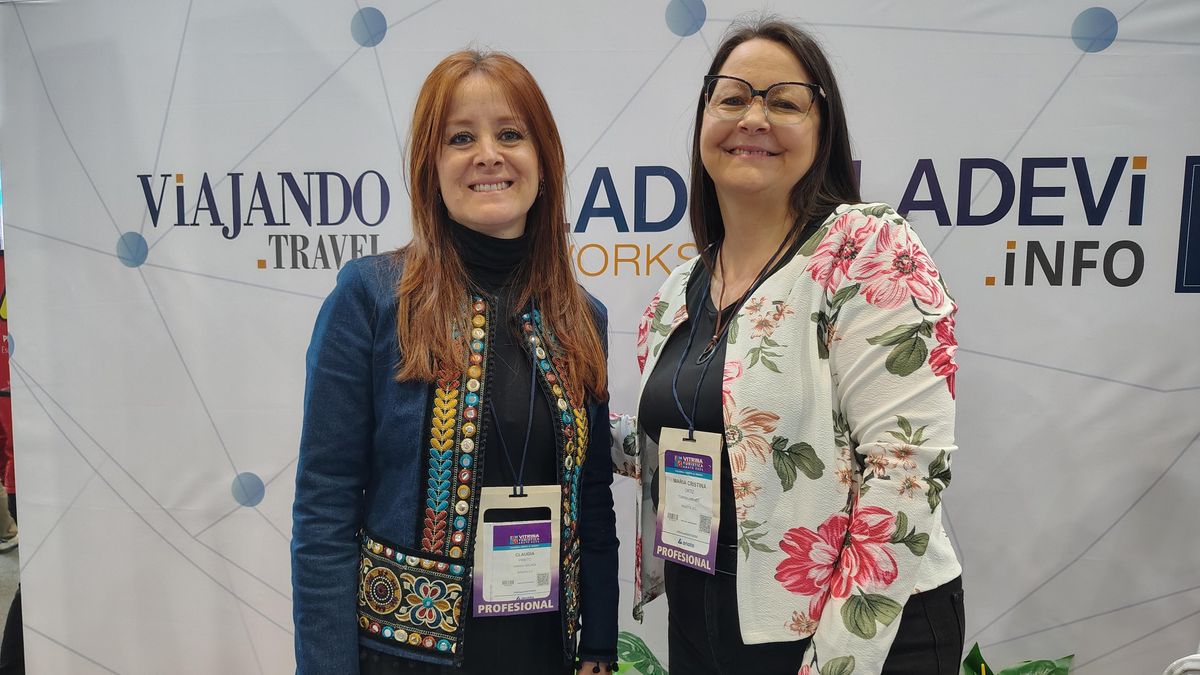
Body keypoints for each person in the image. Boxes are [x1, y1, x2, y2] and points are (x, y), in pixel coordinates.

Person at [614, 18, 964, 675]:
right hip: (705, 616)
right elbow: (707, 445)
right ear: (703, 122)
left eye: (783, 101)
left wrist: (837, 660)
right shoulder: (676, 293)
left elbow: (907, 471)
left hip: (859, 632)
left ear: (822, 132)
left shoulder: (866, 249)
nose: (753, 118)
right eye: (732, 98)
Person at [292, 50, 618, 675]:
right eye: (461, 138)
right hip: (402, 658)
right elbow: (324, 506)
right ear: (430, 167)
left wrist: (599, 646)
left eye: (511, 134)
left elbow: (594, 496)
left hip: (548, 653)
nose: (488, 155)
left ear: (543, 161)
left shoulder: (582, 317)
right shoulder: (372, 298)